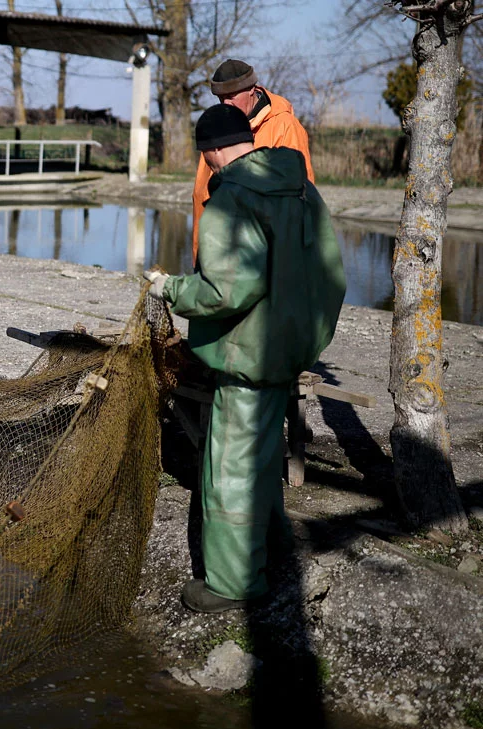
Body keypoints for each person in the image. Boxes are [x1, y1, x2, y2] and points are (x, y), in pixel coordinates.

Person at [144, 105, 345, 613]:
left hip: (246, 360)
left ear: (212, 151)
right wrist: (308, 342)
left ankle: (232, 584)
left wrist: (170, 288)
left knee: (230, 470)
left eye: (204, 155)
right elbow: (330, 278)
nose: (207, 163)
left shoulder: (231, 199)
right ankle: (274, 550)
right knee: (262, 459)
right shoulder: (303, 189)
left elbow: (225, 290)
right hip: (289, 353)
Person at [191, 59, 315, 257]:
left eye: (231, 97)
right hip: (217, 249)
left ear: (252, 89)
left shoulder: (285, 127)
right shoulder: (219, 127)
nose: (226, 104)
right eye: (221, 98)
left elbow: (300, 195)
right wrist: (200, 258)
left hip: (264, 256)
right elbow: (201, 194)